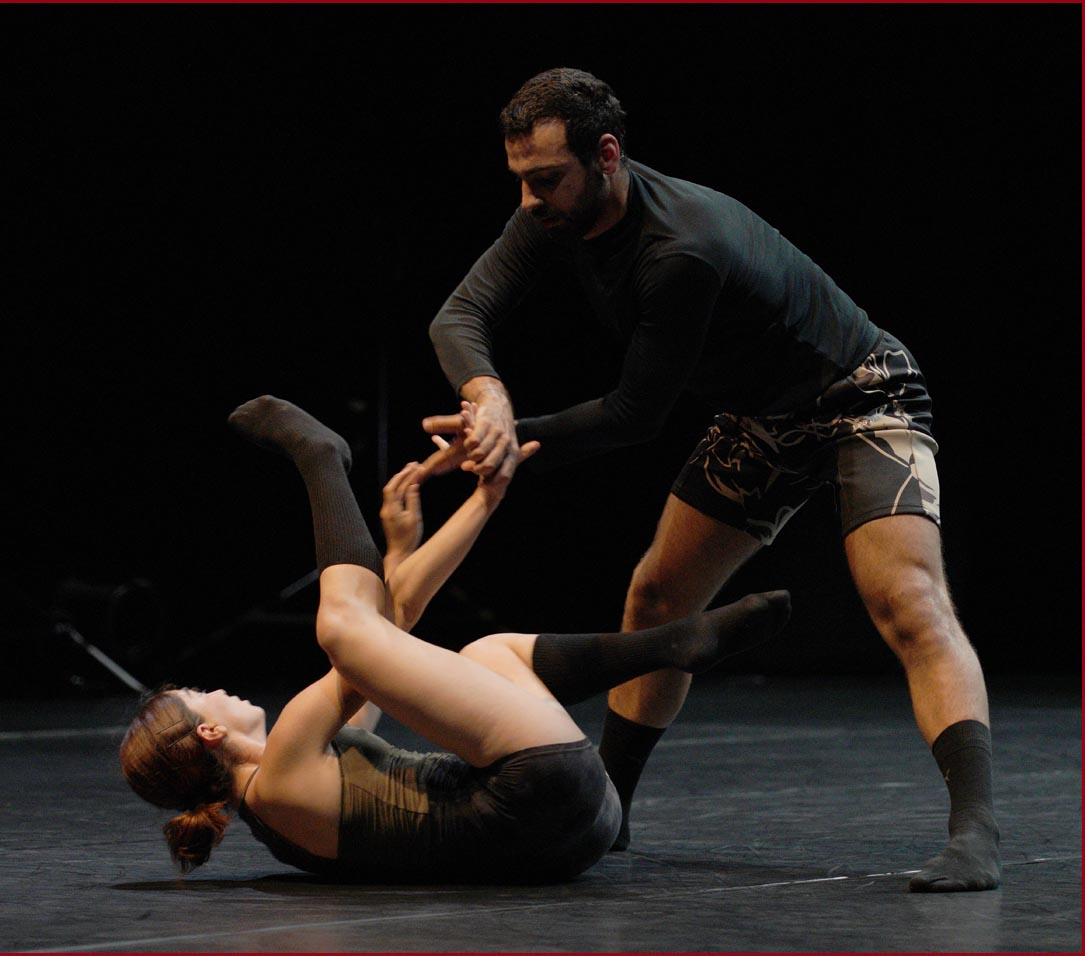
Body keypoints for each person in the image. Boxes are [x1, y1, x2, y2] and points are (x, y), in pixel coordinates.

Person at [423, 67, 999, 892]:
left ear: (606, 156)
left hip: (860, 396)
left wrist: (508, 442)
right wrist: (486, 396)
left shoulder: (680, 250)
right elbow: (458, 314)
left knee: (907, 601)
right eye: (518, 178)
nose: (527, 198)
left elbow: (634, 415)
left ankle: (974, 834)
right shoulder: (550, 213)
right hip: (761, 416)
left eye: (544, 178)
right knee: (657, 596)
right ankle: (607, 812)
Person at [120, 396, 791, 881]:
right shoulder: (283, 768)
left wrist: (477, 503)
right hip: (540, 790)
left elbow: (389, 640)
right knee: (339, 630)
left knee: (481, 654)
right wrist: (390, 550)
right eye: (201, 694)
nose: (218, 690)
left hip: (578, 831)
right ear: (208, 732)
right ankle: (320, 458)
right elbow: (366, 633)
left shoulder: (282, 810)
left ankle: (668, 643)